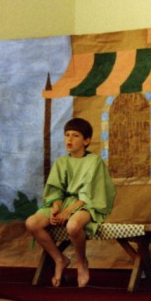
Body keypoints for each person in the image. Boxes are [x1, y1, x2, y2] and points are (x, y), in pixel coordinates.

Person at [25, 117, 116, 288]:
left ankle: (81, 262)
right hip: (65, 203)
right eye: (67, 135)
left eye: (75, 135)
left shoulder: (94, 161)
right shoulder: (61, 162)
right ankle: (59, 259)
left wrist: (67, 213)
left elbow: (89, 194)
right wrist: (56, 208)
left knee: (73, 226)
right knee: (32, 223)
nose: (69, 139)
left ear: (86, 141)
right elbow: (56, 190)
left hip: (86, 204)